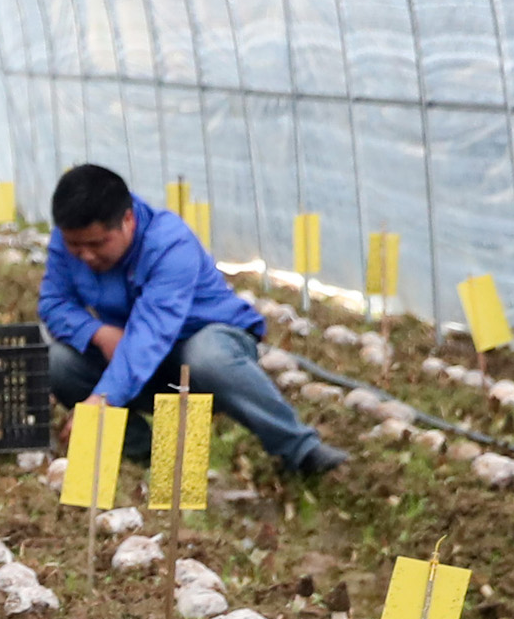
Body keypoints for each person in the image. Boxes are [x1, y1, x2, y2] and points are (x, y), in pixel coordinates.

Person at [36, 164, 345, 477]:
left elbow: (153, 331)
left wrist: (103, 399)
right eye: (76, 246)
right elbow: (54, 302)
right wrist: (99, 333)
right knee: (57, 361)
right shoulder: (67, 241)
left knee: (205, 356)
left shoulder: (169, 243)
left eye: (97, 244)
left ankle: (300, 449)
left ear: (127, 221)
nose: (85, 255)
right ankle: (146, 461)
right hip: (137, 357)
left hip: (203, 352)